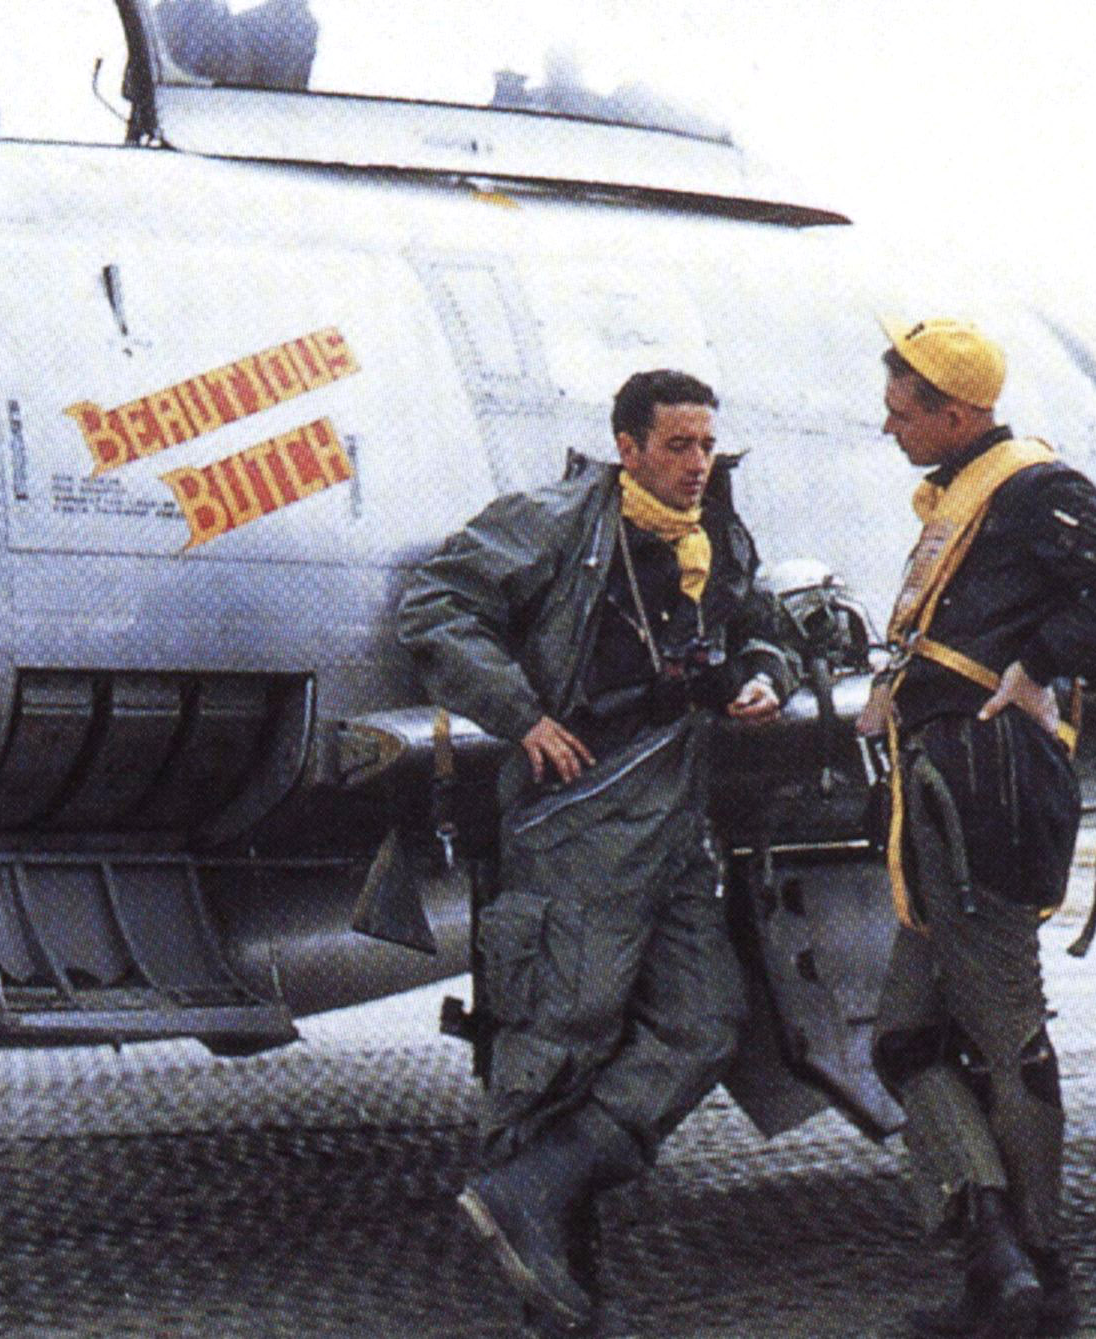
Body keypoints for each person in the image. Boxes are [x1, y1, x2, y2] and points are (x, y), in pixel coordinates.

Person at [398, 369, 793, 1332]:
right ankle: (556, 1299)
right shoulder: (555, 522)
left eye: (706, 446)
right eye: (677, 447)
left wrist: (762, 673)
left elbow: (759, 625)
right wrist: (520, 713)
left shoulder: (715, 538)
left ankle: (532, 1187)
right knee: (556, 1044)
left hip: (672, 820)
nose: (697, 465)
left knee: (706, 1021)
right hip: (576, 817)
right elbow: (436, 605)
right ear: (627, 446)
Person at [857, 318, 1096, 1338]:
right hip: (944, 784)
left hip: (983, 790)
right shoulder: (965, 497)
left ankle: (1036, 1273)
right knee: (907, 1036)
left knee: (1003, 1035)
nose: (888, 424)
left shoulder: (1030, 489)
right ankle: (995, 1253)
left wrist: (1040, 662)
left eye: (904, 409)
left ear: (959, 413)